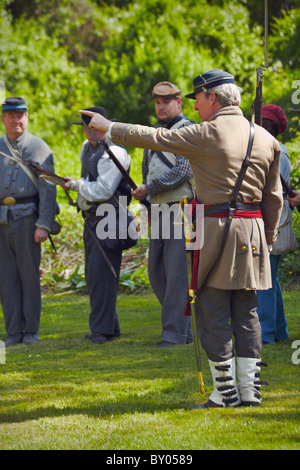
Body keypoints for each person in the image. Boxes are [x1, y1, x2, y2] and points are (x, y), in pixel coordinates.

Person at [79, 68, 283, 408]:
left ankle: (226, 392)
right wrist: (270, 237)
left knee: (212, 308)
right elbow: (273, 197)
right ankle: (250, 391)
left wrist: (109, 128)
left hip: (214, 228)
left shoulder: (206, 133)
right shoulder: (265, 137)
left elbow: (154, 138)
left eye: (197, 98)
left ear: (212, 98)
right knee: (247, 312)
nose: (196, 106)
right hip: (254, 232)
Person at [61, 107, 132, 344]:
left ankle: (101, 331)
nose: (88, 131)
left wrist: (75, 186)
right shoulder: (86, 148)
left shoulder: (115, 152)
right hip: (92, 216)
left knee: (103, 275)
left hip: (110, 217)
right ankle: (110, 326)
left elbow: (103, 190)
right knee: (95, 275)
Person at [132, 81, 194, 346]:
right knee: (156, 272)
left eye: (166, 102)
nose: (160, 106)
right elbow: (148, 168)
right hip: (158, 210)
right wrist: (145, 194)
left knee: (178, 273)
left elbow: (183, 170)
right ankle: (183, 327)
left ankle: (174, 333)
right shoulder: (154, 133)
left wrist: (151, 188)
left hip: (182, 209)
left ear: (179, 102)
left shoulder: (189, 129)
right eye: (157, 102)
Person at [0, 97, 57, 345]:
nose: (17, 120)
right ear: (3, 119)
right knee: (6, 277)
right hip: (2, 220)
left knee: (29, 276)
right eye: (11, 116)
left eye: (21, 115)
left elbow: (48, 190)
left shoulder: (39, 148)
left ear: (27, 117)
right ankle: (13, 331)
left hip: (27, 219)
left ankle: (31, 330)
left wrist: (43, 224)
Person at [256, 105, 294, 344]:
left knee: (263, 281)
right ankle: (279, 331)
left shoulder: (273, 152)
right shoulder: (280, 150)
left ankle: (266, 333)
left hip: (271, 222)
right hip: (275, 220)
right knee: (271, 279)